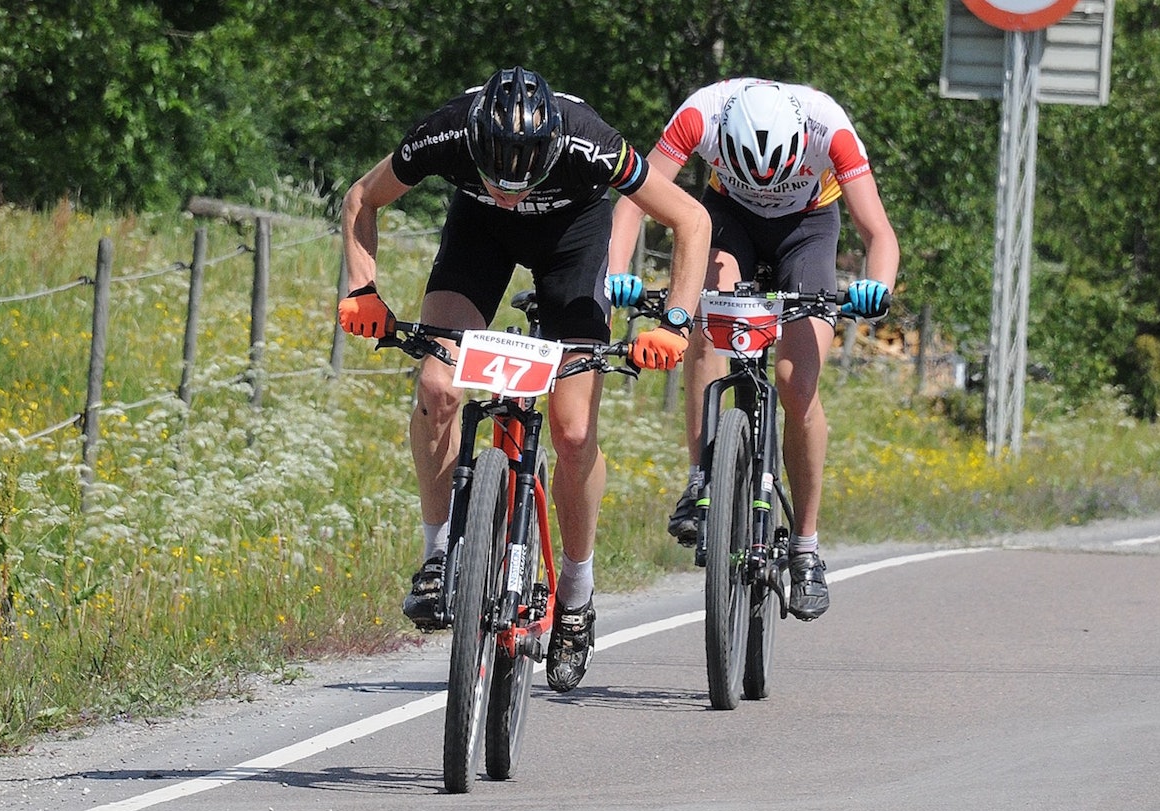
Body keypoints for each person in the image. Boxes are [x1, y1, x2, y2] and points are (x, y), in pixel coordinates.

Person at [339, 67, 711, 692]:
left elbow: (691, 220)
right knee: (437, 387)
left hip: (573, 239)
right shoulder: (447, 131)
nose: (510, 190)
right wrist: (361, 290)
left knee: (570, 430)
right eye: (496, 177)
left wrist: (674, 323)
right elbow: (361, 198)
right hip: (478, 238)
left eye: (523, 178)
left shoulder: (592, 143)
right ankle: (437, 556)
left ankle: (576, 589)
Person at [607, 78, 898, 621]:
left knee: (795, 380)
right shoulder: (700, 115)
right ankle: (701, 479)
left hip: (807, 228)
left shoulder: (828, 127)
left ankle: (806, 548)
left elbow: (878, 232)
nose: (766, 184)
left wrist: (877, 285)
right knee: (703, 317)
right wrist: (618, 271)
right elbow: (634, 203)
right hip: (728, 220)